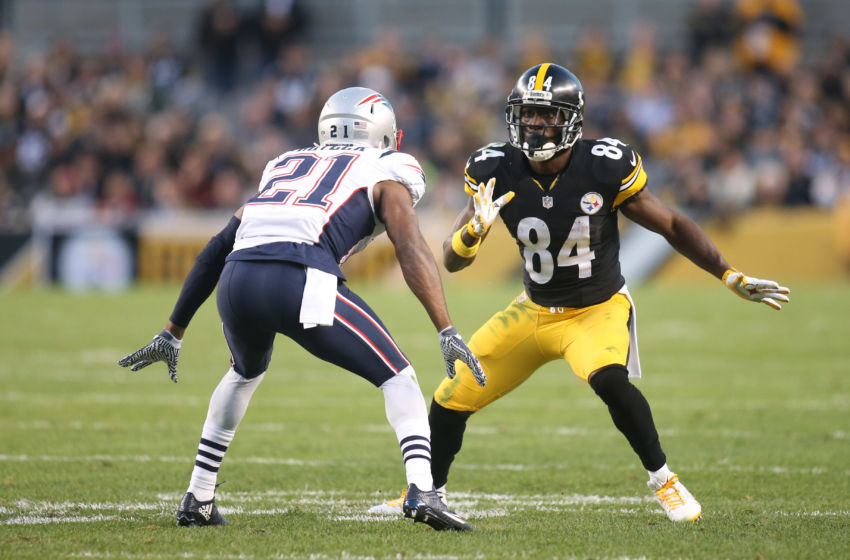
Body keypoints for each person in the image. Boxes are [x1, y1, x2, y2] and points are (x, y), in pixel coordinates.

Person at [369, 63, 790, 523]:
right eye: (527, 114)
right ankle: (431, 492)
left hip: (596, 309)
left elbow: (670, 224)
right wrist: (471, 232)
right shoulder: (494, 167)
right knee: (451, 396)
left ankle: (664, 479)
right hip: (533, 311)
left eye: (546, 116)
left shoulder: (604, 165)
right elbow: (452, 259)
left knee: (609, 378)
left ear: (570, 119)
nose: (534, 124)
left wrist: (728, 274)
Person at [118, 87, 488, 532]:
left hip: (238, 278)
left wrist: (173, 329)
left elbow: (218, 246)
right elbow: (409, 243)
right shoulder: (391, 167)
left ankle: (198, 496)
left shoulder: (287, 162)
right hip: (301, 275)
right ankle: (422, 492)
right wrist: (445, 328)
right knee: (399, 377)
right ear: (385, 133)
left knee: (243, 373)